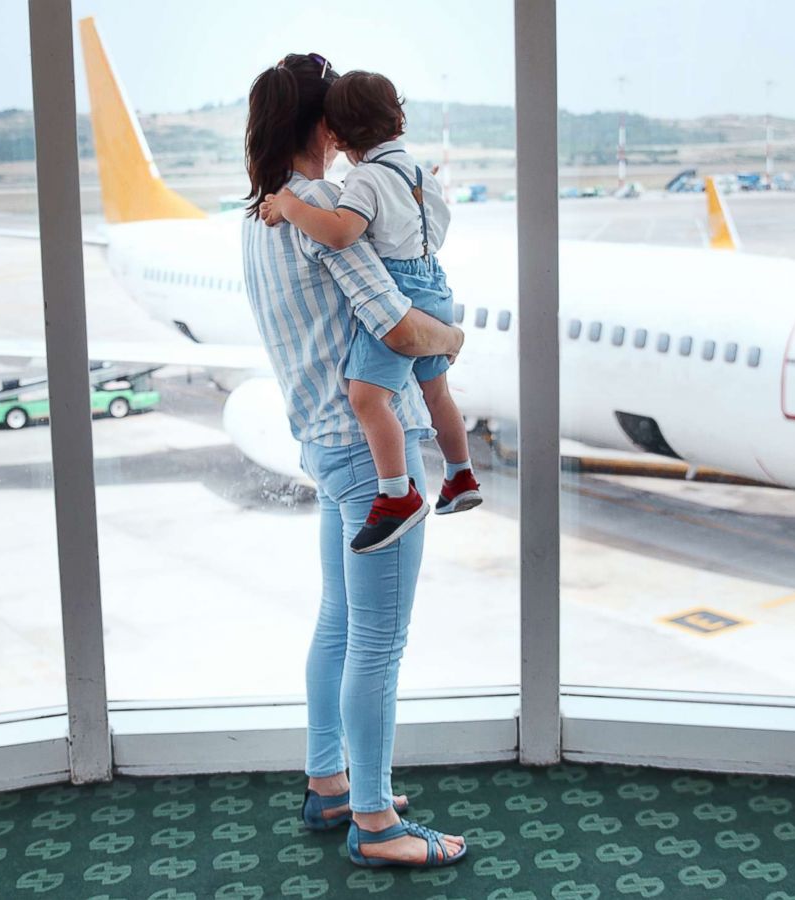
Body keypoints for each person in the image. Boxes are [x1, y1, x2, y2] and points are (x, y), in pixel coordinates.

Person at [240, 52, 469, 870]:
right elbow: (405, 331)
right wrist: (455, 336)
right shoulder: (324, 214)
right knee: (378, 642)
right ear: (324, 126)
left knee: (340, 625)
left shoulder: (259, 218)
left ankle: (330, 782)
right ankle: (375, 825)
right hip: (374, 456)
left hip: (323, 445)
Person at [261, 70, 480, 555]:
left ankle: (396, 495)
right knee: (437, 393)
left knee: (366, 399)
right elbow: (437, 230)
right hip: (435, 283)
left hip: (403, 291)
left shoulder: (359, 180)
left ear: (336, 134)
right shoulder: (420, 174)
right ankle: (461, 474)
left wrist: (292, 207)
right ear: (399, 120)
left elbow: (341, 233)